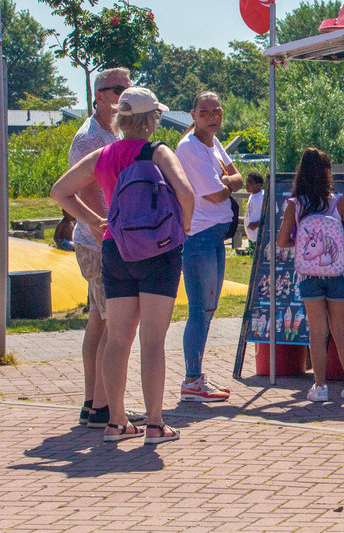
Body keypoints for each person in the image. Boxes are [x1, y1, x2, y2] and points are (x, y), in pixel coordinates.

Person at [51, 87, 194, 443]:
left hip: (116, 248)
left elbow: (60, 191)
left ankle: (116, 422)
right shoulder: (158, 152)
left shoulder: (103, 153)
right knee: (153, 340)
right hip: (158, 250)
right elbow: (186, 193)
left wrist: (96, 222)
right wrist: (184, 227)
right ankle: (156, 424)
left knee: (117, 339)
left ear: (121, 118)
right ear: (150, 120)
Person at [66, 67, 144, 430]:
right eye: (117, 89)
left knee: (99, 321)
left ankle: (93, 402)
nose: (123, 94)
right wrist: (103, 230)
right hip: (100, 243)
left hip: (103, 239)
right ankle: (104, 406)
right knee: (115, 323)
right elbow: (82, 193)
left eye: (127, 88)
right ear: (98, 95)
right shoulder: (89, 139)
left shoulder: (111, 132)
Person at [277, 148, 344, 402]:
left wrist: (302, 247)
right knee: (340, 330)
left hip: (309, 275)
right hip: (338, 273)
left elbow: (283, 241)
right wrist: (337, 242)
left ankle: (320, 387)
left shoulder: (295, 205)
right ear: (327, 173)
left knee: (317, 332)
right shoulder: (340, 201)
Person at [175, 91, 243, 402]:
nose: (213, 116)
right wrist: (226, 182)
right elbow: (216, 194)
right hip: (200, 235)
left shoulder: (213, 142)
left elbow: (238, 179)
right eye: (206, 112)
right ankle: (191, 379)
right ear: (193, 114)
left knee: (209, 309)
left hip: (216, 235)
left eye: (218, 110)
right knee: (199, 311)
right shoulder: (189, 147)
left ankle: (196, 377)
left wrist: (224, 182)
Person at [243, 172, 264, 248]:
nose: (247, 184)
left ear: (258, 185)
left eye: (250, 182)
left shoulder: (262, 196)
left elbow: (270, 213)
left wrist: (257, 224)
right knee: (253, 258)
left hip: (258, 235)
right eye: (246, 182)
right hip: (251, 235)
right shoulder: (252, 196)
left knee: (258, 258)